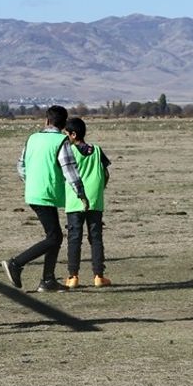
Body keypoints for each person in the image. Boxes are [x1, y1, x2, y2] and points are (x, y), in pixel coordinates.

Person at [1, 105, 87, 293]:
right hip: (46, 194)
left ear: (46, 121)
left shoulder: (32, 138)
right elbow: (69, 169)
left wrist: (30, 181)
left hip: (33, 192)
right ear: (64, 125)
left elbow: (21, 164)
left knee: (54, 236)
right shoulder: (61, 141)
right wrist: (81, 194)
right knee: (54, 236)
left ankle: (48, 280)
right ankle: (16, 263)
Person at [62, 117, 112, 289]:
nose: (65, 137)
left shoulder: (68, 151)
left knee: (74, 238)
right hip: (95, 201)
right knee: (96, 238)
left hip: (74, 201)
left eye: (66, 134)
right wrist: (100, 189)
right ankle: (99, 275)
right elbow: (106, 173)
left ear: (73, 135)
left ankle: (73, 276)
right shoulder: (97, 150)